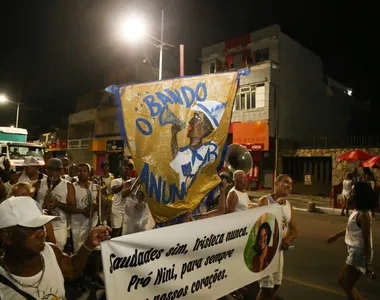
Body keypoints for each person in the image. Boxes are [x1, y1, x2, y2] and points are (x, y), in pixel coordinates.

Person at [0, 196, 111, 299]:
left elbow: (72, 271)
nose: (41, 233)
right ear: (7, 236)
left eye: (41, 226)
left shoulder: (50, 251)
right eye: (31, 228)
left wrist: (89, 244)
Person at [327, 181, 377, 299]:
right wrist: (336, 236)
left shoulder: (364, 215)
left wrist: (368, 263)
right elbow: (351, 229)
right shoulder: (356, 211)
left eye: (354, 191)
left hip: (359, 252)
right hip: (354, 250)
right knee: (343, 281)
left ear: (360, 195)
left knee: (346, 283)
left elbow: (366, 238)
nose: (350, 192)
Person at [256, 174, 297, 300]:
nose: (289, 186)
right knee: (266, 287)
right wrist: (276, 206)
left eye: (291, 184)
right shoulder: (265, 201)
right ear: (276, 183)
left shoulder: (289, 206)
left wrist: (287, 240)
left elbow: (294, 230)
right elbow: (259, 225)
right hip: (265, 250)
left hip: (279, 251)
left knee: (275, 286)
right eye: (286, 182)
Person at [170, 100, 225, 190]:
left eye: (197, 117)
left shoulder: (211, 148)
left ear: (206, 128)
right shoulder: (184, 151)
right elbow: (176, 160)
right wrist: (173, 135)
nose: (190, 121)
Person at [36, 158, 76, 250]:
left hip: (59, 226)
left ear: (61, 170)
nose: (53, 172)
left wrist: (58, 204)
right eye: (50, 169)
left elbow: (73, 208)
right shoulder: (39, 184)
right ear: (46, 169)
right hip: (42, 225)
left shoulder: (68, 186)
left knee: (57, 253)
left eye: (57, 170)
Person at [110, 165, 136, 237]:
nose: (125, 170)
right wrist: (124, 184)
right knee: (116, 230)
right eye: (123, 169)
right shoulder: (116, 181)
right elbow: (114, 190)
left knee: (125, 231)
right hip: (117, 210)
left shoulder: (133, 181)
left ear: (130, 171)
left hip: (128, 210)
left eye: (127, 169)